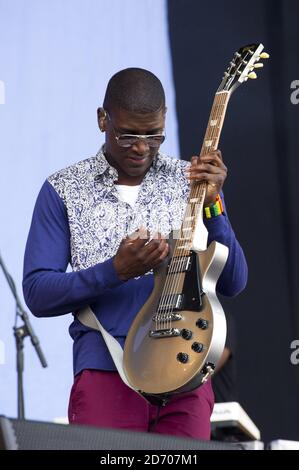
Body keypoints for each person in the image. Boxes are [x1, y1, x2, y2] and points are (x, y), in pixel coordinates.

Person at [23, 67, 247, 440]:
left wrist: (214, 207)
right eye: (127, 135)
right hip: (106, 370)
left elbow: (234, 282)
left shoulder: (190, 180)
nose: (141, 147)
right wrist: (115, 270)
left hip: (185, 371)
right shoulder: (63, 189)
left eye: (153, 135)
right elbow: (38, 292)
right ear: (102, 119)